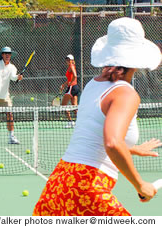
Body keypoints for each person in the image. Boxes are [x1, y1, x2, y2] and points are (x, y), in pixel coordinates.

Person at [33, 17, 162, 216]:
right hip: (87, 186)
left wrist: (132, 149)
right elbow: (111, 143)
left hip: (60, 182)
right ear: (137, 59)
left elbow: (96, 136)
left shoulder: (93, 84)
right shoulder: (126, 94)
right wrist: (140, 184)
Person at [59, 54, 79, 128]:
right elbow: (69, 79)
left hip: (71, 87)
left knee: (63, 105)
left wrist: (70, 83)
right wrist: (64, 85)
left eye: (69, 59)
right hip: (75, 87)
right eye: (66, 59)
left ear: (72, 60)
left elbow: (75, 75)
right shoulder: (71, 67)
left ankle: (70, 122)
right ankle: (80, 122)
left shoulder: (71, 66)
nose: (67, 61)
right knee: (74, 107)